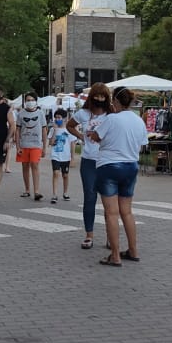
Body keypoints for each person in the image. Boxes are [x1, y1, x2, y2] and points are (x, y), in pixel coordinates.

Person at [90, 86, 148, 266]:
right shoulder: (139, 121)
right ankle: (133, 250)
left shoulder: (111, 119)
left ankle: (115, 255)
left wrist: (92, 134)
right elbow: (142, 144)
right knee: (127, 212)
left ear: (115, 101)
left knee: (111, 213)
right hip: (131, 166)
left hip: (109, 166)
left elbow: (96, 137)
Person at [67, 84, 111, 250]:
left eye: (103, 96)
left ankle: (110, 235)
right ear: (92, 96)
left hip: (106, 161)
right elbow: (69, 125)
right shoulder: (83, 113)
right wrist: (80, 137)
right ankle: (89, 235)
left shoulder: (111, 114)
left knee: (109, 200)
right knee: (90, 198)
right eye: (97, 96)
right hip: (88, 161)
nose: (100, 99)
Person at [15, 92, 48, 200]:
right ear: (25, 102)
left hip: (36, 144)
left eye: (32, 100)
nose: (30, 102)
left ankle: (37, 191)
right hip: (24, 144)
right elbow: (18, 130)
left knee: (35, 165)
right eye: (28, 100)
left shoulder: (40, 113)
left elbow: (44, 129)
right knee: (25, 166)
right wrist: (18, 146)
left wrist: (44, 146)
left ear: (36, 101)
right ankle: (27, 189)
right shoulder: (21, 114)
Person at [49, 108, 72, 204]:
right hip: (55, 155)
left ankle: (65, 192)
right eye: (56, 117)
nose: (57, 119)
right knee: (56, 173)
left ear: (65, 119)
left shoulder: (69, 130)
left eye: (59, 117)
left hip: (66, 156)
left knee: (65, 175)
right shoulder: (52, 129)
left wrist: (73, 157)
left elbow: (72, 143)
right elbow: (51, 142)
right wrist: (55, 130)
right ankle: (54, 194)